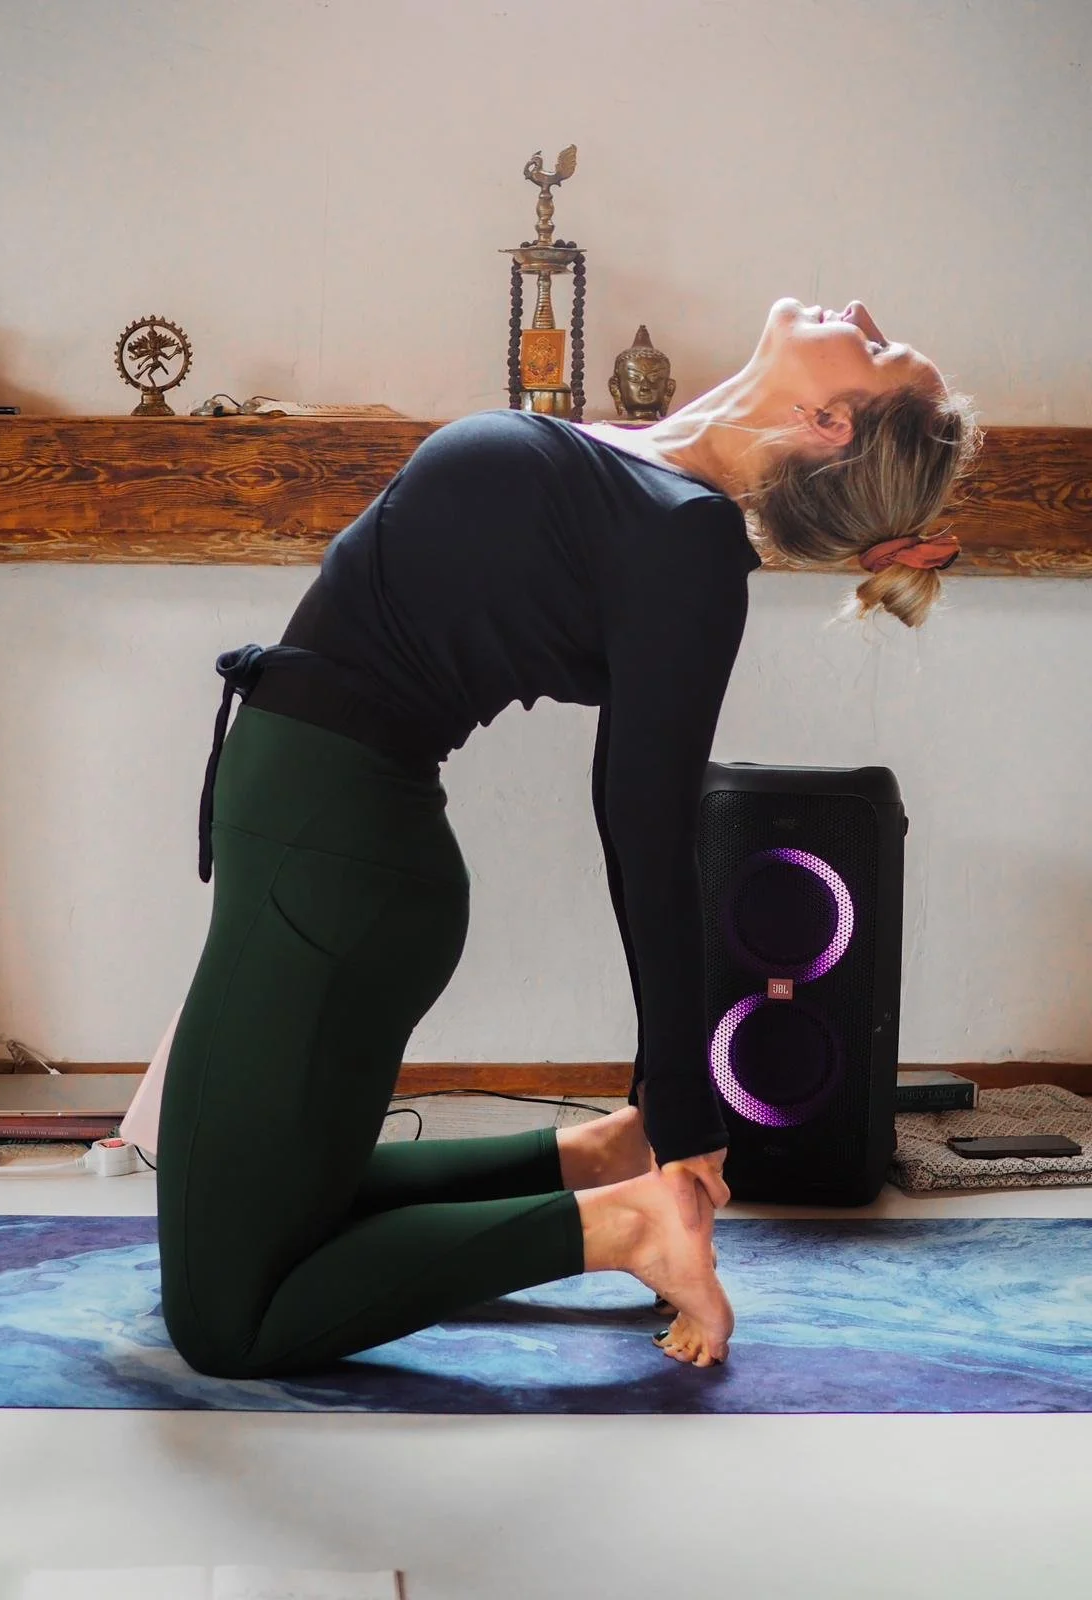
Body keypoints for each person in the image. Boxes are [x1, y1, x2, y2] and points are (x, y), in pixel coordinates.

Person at [155, 297, 980, 1377]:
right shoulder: (641, 468)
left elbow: (647, 820)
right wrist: (648, 1115)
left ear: (831, 419)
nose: (861, 315)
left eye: (875, 348)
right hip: (316, 830)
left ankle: (621, 1227)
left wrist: (684, 1097)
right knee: (275, 1193)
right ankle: (590, 1160)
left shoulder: (687, 536)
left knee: (227, 1321)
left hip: (336, 850)